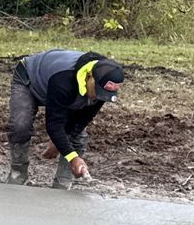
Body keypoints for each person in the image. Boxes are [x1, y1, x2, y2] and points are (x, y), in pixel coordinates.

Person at [8, 50, 125, 188]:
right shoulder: (63, 80)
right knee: (20, 125)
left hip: (64, 87)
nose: (98, 98)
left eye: (104, 95)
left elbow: (81, 120)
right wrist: (72, 157)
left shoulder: (104, 81)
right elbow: (54, 125)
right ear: (90, 76)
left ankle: (62, 184)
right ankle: (18, 175)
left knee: (76, 136)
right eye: (97, 92)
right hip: (29, 79)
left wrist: (61, 144)